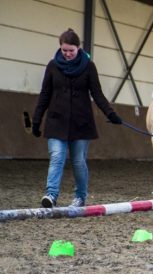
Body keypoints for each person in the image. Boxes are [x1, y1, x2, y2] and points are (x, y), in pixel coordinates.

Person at [31, 28, 123, 208]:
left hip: (81, 123)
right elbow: (44, 95)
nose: (67, 54)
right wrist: (36, 120)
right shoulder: (52, 66)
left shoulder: (89, 67)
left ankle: (80, 196)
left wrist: (111, 114)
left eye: (71, 51)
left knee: (78, 161)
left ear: (78, 48)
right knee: (57, 156)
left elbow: (98, 95)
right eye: (64, 50)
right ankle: (51, 195)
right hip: (56, 122)